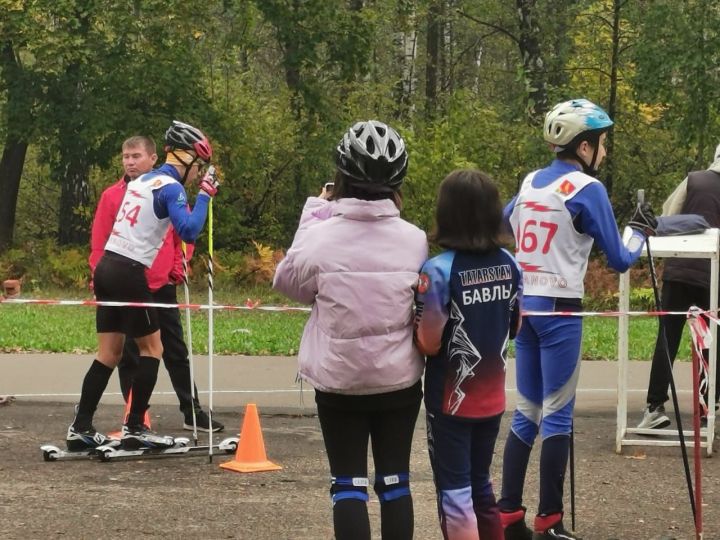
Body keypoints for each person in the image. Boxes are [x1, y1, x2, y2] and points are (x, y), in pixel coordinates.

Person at [499, 99, 657, 540]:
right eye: (601, 143)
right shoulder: (588, 188)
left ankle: (508, 513)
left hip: (524, 308)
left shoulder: (531, 182)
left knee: (526, 411)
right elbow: (622, 258)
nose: (604, 151)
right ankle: (549, 520)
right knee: (558, 417)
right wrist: (640, 232)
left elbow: (501, 224)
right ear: (584, 147)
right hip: (561, 311)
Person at [273, 120, 428, 540]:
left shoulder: (319, 238)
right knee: (396, 482)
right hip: (398, 380)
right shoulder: (415, 239)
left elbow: (288, 283)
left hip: (340, 383)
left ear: (340, 177)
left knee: (348, 486)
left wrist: (315, 213)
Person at [66, 120, 220, 451]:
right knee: (154, 349)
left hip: (107, 268)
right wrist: (206, 196)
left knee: (109, 353)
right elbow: (190, 231)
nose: (198, 173)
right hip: (129, 272)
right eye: (198, 164)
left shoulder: (141, 181)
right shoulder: (171, 187)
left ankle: (80, 426)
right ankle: (135, 426)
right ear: (185, 157)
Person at [414, 169, 523, 540]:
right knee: (482, 488)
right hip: (492, 398)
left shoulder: (438, 270)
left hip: (450, 401)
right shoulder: (511, 263)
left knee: (455, 492)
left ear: (446, 214)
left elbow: (429, 342)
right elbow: (516, 327)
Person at [637, 142, 720, 430]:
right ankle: (706, 408)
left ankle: (654, 405)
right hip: (714, 276)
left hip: (680, 270)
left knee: (667, 338)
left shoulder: (695, 179)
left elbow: (668, 213)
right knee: (710, 343)